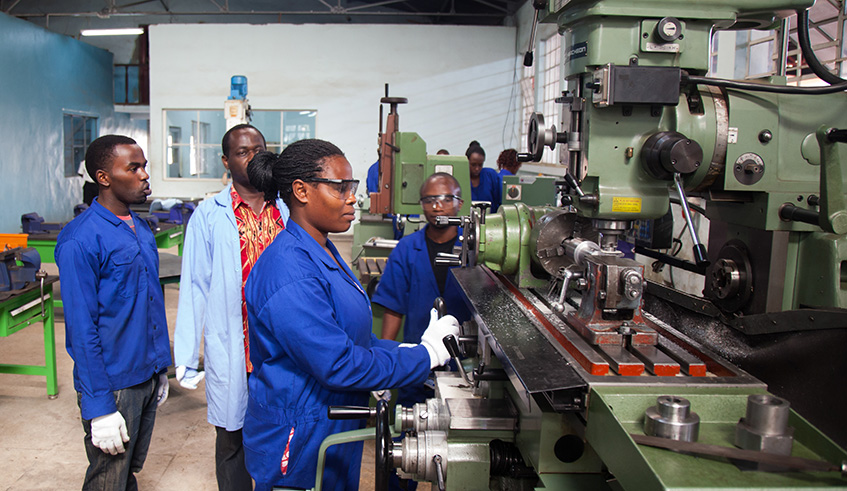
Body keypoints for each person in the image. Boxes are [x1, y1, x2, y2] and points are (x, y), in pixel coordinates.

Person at [242, 139, 460, 491]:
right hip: (299, 441)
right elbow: (338, 363)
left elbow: (352, 337)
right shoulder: (289, 271)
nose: (352, 197)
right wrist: (425, 357)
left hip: (330, 426)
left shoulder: (322, 250)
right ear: (301, 191)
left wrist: (400, 352)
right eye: (340, 187)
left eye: (352, 186)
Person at [173, 124, 288, 491]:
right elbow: (194, 287)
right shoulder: (209, 216)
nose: (253, 156)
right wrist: (187, 355)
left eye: (259, 147)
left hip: (283, 347)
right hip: (235, 345)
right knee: (232, 440)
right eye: (242, 151)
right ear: (226, 161)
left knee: (284, 433)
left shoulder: (288, 208)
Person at [56, 135, 171, 490]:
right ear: (104, 177)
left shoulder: (141, 229)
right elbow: (81, 329)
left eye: (144, 166)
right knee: (108, 477)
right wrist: (100, 406)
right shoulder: (81, 239)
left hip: (147, 373)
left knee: (127, 472)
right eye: (133, 168)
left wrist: (160, 368)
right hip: (115, 383)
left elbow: (149, 302)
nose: (144, 175)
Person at [372, 172, 463, 407]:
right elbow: (394, 308)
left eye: (445, 198)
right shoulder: (406, 249)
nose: (437, 206)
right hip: (419, 361)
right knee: (412, 427)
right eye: (429, 200)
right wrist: (384, 364)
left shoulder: (476, 249)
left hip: (467, 360)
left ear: (459, 203)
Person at [466, 141, 502, 212]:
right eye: (473, 165)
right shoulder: (461, 178)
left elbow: (499, 201)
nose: (477, 168)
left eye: (480, 165)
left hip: (489, 220)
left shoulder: (491, 176)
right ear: (467, 161)